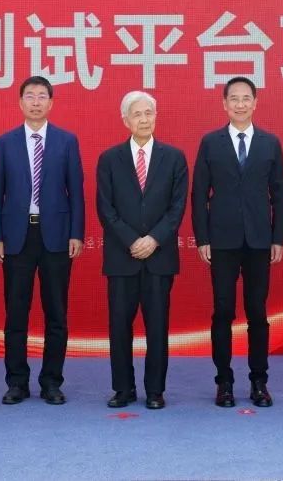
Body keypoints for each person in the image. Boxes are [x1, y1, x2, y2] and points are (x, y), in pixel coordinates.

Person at [191, 76, 283, 408]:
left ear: (255, 103)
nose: (241, 104)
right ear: (224, 103)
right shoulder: (210, 142)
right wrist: (202, 237)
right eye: (234, 98)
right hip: (222, 240)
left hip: (260, 240)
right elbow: (199, 193)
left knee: (257, 312)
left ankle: (259, 381)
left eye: (246, 98)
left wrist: (278, 237)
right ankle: (224, 382)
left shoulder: (270, 143)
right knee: (222, 311)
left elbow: (280, 195)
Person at [0, 76, 84, 405]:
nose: (36, 102)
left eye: (42, 96)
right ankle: (16, 382)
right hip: (17, 236)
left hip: (56, 236)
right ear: (20, 103)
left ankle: (51, 382)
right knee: (16, 313)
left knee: (56, 313)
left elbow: (76, 192)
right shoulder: (5, 142)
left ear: (51, 103)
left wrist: (76, 232)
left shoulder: (66, 141)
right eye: (30, 96)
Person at [96, 91, 188, 410]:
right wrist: (132, 241)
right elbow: (105, 208)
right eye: (137, 114)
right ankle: (123, 389)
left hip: (159, 257)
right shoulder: (110, 159)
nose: (144, 119)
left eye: (149, 113)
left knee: (157, 327)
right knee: (120, 327)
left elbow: (177, 207)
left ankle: (155, 391)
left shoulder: (173, 158)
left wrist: (154, 239)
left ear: (156, 116)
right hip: (122, 257)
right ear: (126, 120)